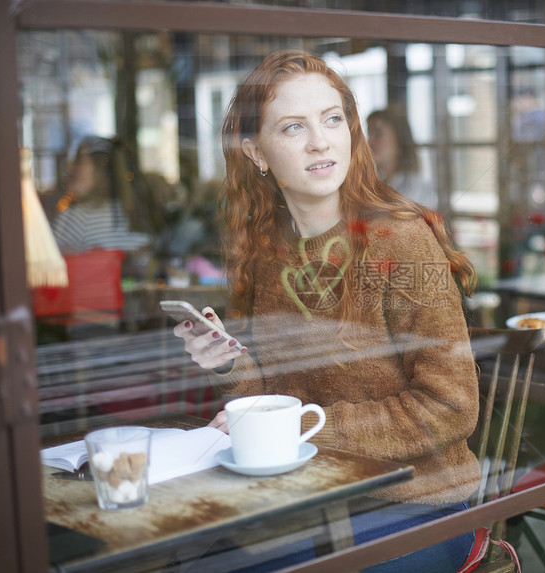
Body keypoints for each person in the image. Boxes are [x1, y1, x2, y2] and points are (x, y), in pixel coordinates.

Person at [173, 49, 481, 571]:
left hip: (417, 502)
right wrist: (227, 363)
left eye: (332, 119)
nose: (320, 141)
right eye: (293, 127)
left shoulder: (400, 241)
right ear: (257, 153)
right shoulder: (268, 255)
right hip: (309, 495)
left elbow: (451, 405)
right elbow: (271, 404)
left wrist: (310, 428)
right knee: (192, 562)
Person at [51, 136, 151, 254]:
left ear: (100, 170)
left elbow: (48, 261)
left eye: (78, 159)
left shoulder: (78, 218)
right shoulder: (135, 213)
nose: (69, 166)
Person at [367, 106, 439, 210]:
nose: (369, 141)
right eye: (369, 133)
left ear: (399, 140)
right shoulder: (375, 184)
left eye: (378, 134)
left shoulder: (417, 188)